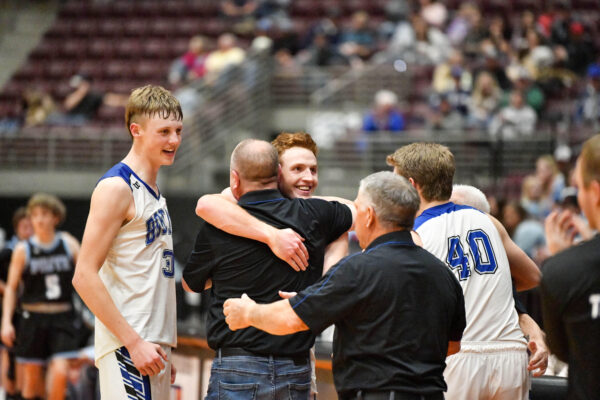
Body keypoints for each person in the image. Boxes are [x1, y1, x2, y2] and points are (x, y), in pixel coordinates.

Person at [223, 171, 466, 400]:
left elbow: (291, 320)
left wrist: (248, 313)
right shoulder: (443, 274)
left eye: (357, 209)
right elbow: (452, 346)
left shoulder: (358, 269)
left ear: (369, 215)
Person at [183, 139, 353, 400]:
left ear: (235, 179)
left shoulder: (219, 224)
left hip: (237, 364)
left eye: (312, 170)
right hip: (295, 368)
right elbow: (363, 212)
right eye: (298, 169)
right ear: (279, 174)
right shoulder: (317, 216)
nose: (307, 177)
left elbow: (191, 284)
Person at [387, 143, 540, 400]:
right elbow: (532, 276)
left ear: (412, 186)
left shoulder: (415, 235)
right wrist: (488, 287)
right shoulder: (489, 221)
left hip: (458, 355)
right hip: (511, 355)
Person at [72, 85, 183, 399]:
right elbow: (83, 275)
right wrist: (134, 343)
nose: (174, 140)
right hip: (129, 343)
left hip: (151, 343)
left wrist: (161, 345)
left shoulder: (155, 192)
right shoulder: (116, 188)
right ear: (136, 130)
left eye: (177, 130)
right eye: (164, 131)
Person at [450, 185, 549, 377]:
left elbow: (525, 296)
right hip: (492, 358)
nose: (446, 212)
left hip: (474, 356)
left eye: (453, 207)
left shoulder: (487, 238)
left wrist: (538, 337)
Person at [1, 193, 81, 400]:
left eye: (44, 214)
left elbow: (86, 275)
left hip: (62, 318)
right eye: (35, 214)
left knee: (60, 374)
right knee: (31, 387)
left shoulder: (69, 244)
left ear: (56, 217)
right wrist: (6, 323)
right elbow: (11, 288)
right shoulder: (23, 249)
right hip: (32, 320)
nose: (38, 219)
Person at [540, 134, 600, 399]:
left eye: (579, 187)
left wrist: (569, 261)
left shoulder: (563, 271)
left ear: (595, 192)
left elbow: (565, 351)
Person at [0, 207, 33, 400]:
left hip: (31, 310)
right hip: (11, 310)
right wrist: (6, 289)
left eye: (30, 226)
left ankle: (23, 393)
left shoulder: (37, 251)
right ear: (17, 228)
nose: (28, 230)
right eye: (24, 226)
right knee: (9, 353)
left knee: (26, 356)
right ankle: (9, 393)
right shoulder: (8, 252)